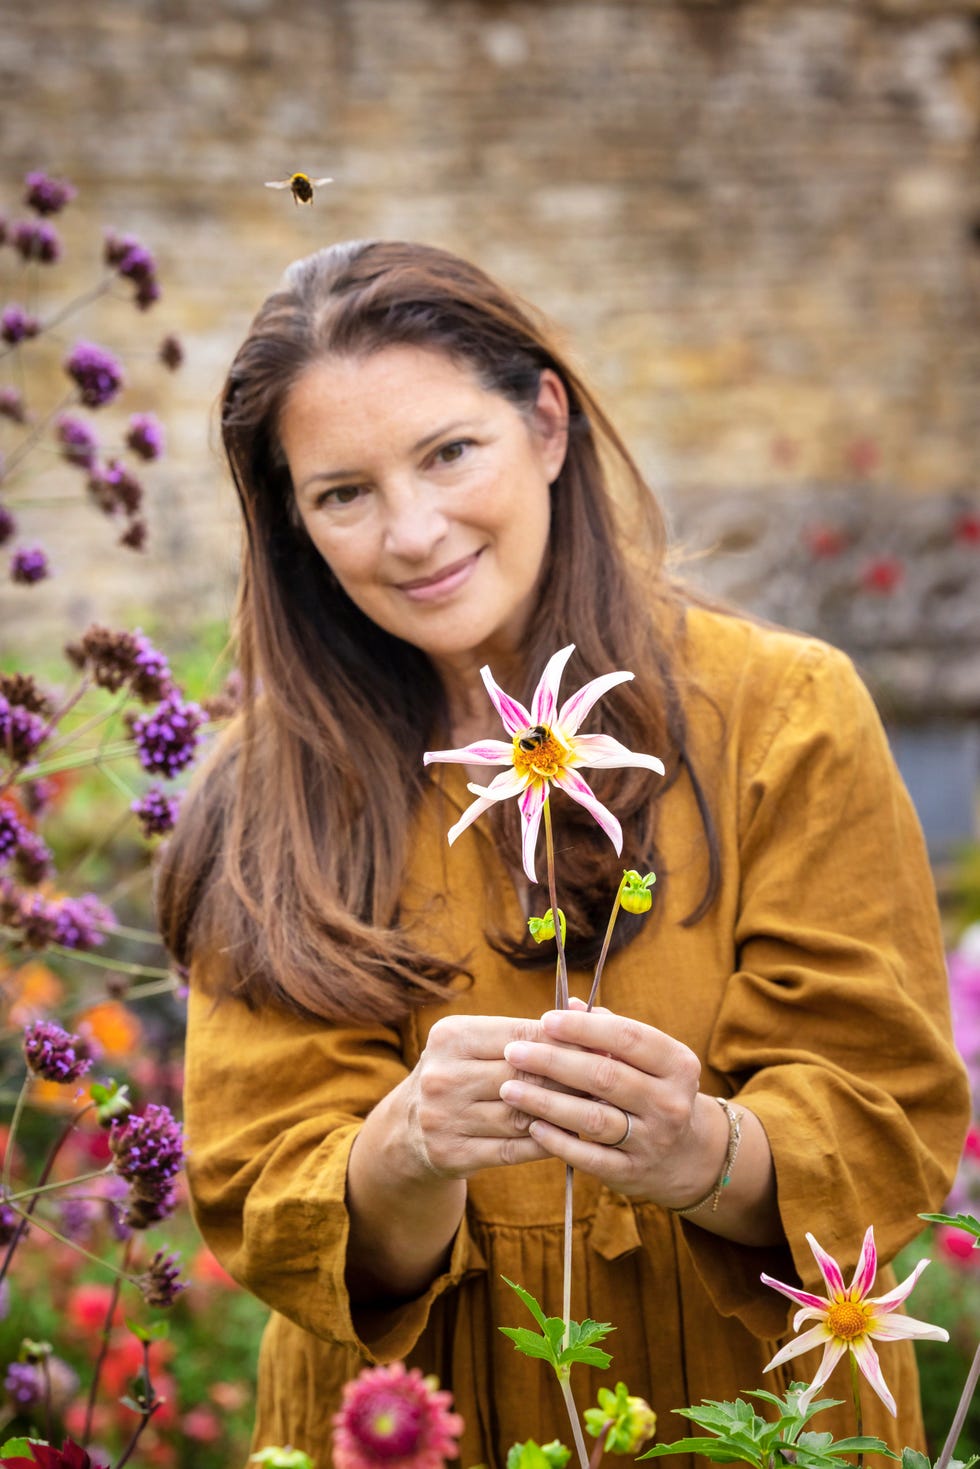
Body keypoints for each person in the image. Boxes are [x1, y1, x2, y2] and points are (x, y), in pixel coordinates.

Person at [158, 240, 970, 1468]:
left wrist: (698, 1150)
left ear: (544, 422)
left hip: (756, 1413)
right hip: (409, 1427)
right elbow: (267, 1199)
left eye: (447, 452)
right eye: (342, 493)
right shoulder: (268, 791)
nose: (413, 531)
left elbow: (881, 1109)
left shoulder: (779, 711)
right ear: (293, 525)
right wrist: (412, 1147)